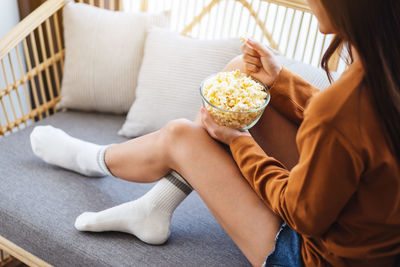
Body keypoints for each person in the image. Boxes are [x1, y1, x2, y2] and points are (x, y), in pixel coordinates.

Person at [29, 0, 400, 266]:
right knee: (241, 72)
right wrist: (280, 80)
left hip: (315, 255)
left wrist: (238, 141)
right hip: (364, 224)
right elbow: (350, 131)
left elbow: (302, 213)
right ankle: (155, 205)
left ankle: (96, 163)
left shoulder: (344, 106)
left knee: (181, 136)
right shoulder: (385, 70)